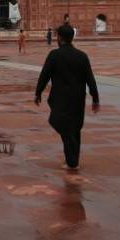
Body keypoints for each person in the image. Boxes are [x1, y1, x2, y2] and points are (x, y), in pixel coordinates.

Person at [34, 25, 100, 170]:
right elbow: (90, 79)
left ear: (59, 38)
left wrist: (38, 92)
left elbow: (44, 75)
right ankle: (72, 159)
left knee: (65, 127)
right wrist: (95, 98)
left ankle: (72, 162)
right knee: (75, 129)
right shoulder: (82, 56)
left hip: (60, 99)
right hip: (78, 99)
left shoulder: (55, 55)